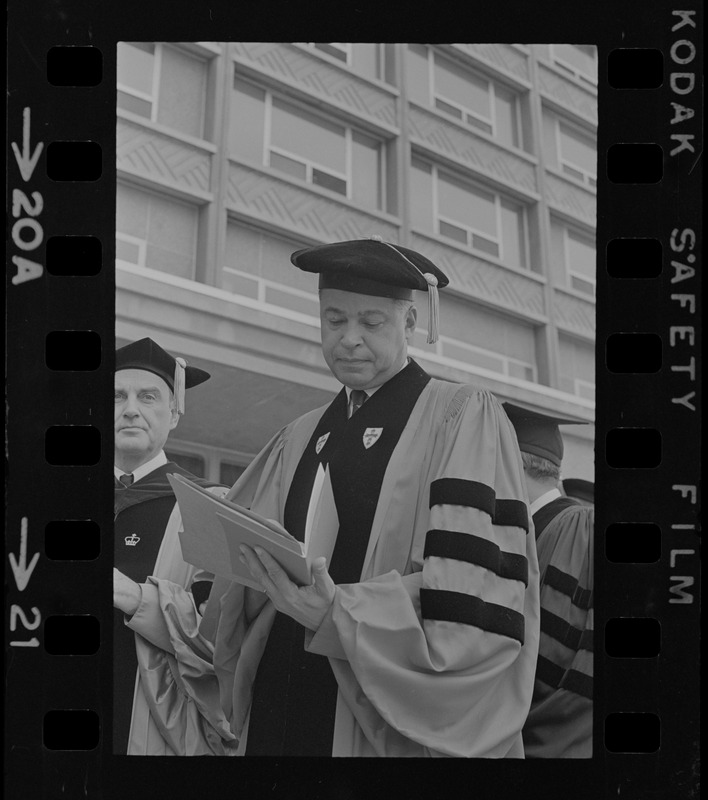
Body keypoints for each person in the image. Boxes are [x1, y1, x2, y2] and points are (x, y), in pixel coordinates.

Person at [206, 237, 540, 757]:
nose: (349, 340)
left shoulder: (461, 417)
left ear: (410, 323)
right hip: (280, 681)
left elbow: (471, 595)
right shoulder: (301, 432)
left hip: (380, 706)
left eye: (372, 323)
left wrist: (341, 614)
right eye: (334, 320)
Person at [113, 337, 237, 755]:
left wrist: (135, 598)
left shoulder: (211, 506)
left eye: (148, 397)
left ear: (175, 411)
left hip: (156, 732)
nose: (130, 408)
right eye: (117, 396)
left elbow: (219, 640)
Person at [503, 402, 594, 758]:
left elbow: (561, 652)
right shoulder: (523, 531)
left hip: (555, 744)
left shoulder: (579, 528)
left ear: (508, 463)